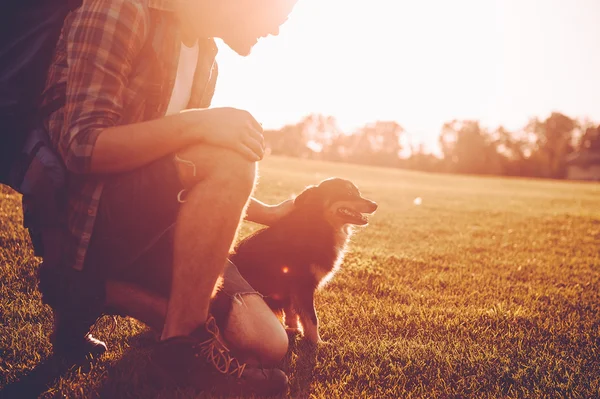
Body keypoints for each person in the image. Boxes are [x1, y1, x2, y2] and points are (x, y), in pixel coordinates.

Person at [36, 0, 299, 395]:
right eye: (278, 13)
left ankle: (88, 291)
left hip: (158, 226)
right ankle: (180, 348)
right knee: (231, 157)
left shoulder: (206, 54)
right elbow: (82, 147)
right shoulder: (121, 9)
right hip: (92, 220)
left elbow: (192, 170)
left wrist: (269, 213)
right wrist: (199, 122)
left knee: (267, 341)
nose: (276, 30)